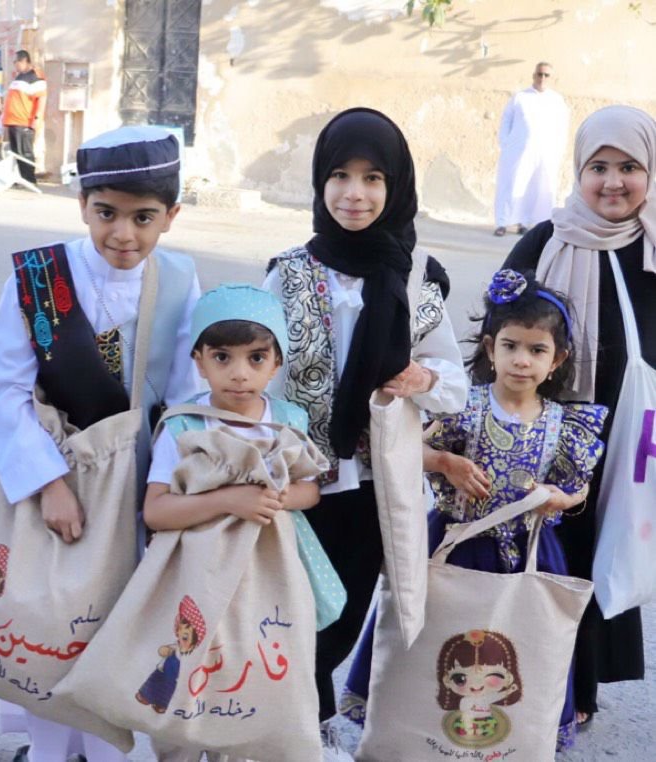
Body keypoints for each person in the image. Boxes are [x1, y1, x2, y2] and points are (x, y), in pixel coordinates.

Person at [0, 125, 201, 762]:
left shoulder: (180, 280)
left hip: (139, 486)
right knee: (51, 618)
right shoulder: (38, 279)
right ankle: (48, 751)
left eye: (143, 217)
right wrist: (49, 484)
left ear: (171, 216)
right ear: (82, 206)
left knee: (117, 624)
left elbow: (187, 401)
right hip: (55, 479)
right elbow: (6, 391)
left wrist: (165, 492)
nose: (123, 234)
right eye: (106, 213)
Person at [340, 269, 607, 751]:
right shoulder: (463, 406)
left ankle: (505, 741)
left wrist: (560, 498)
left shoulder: (566, 425)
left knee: (521, 644)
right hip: (454, 544)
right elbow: (401, 447)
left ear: (557, 360)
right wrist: (445, 462)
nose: (521, 360)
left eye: (537, 350)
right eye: (510, 346)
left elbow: (578, 485)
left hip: (530, 553)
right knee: (436, 641)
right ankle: (416, 731)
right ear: (490, 348)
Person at [262, 107, 468, 723]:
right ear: (320, 182)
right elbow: (255, 370)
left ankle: (305, 724)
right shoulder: (288, 273)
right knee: (289, 607)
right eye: (340, 176)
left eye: (373, 178)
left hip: (374, 481)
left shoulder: (417, 276)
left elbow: (454, 382)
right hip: (299, 479)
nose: (354, 193)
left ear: (395, 186)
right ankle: (296, 728)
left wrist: (422, 378)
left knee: (345, 613)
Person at [142, 284, 349, 762]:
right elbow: (156, 510)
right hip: (196, 575)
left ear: (276, 364)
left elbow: (311, 490)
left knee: (252, 668)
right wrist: (231, 500)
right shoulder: (183, 425)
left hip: (270, 575)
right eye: (222, 357)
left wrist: (280, 497)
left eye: (256, 358)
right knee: (192, 666)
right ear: (198, 361)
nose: (239, 373)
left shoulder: (289, 419)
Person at [503, 104, 655, 730]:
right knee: (551, 552)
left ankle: (580, 690)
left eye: (629, 167)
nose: (613, 182)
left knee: (608, 550)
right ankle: (529, 681)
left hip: (636, 434)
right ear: (579, 170)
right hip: (555, 430)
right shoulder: (546, 240)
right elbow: (499, 329)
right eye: (599, 167)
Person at [493, 62, 569, 236]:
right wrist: (505, 143)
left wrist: (559, 150)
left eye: (546, 75)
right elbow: (506, 121)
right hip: (518, 151)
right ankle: (502, 222)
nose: (542, 78)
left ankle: (525, 223)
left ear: (551, 78)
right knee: (513, 184)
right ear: (534, 75)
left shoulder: (556, 101)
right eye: (540, 74)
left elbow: (562, 127)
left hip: (545, 153)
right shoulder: (520, 97)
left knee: (535, 188)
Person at [1, 49, 46, 185]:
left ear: (24, 61)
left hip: (24, 121)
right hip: (13, 121)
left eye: (15, 62)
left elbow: (42, 98)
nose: (14, 65)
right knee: (16, 152)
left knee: (25, 151)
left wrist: (37, 118)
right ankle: (21, 178)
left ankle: (29, 180)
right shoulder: (19, 77)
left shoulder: (35, 76)